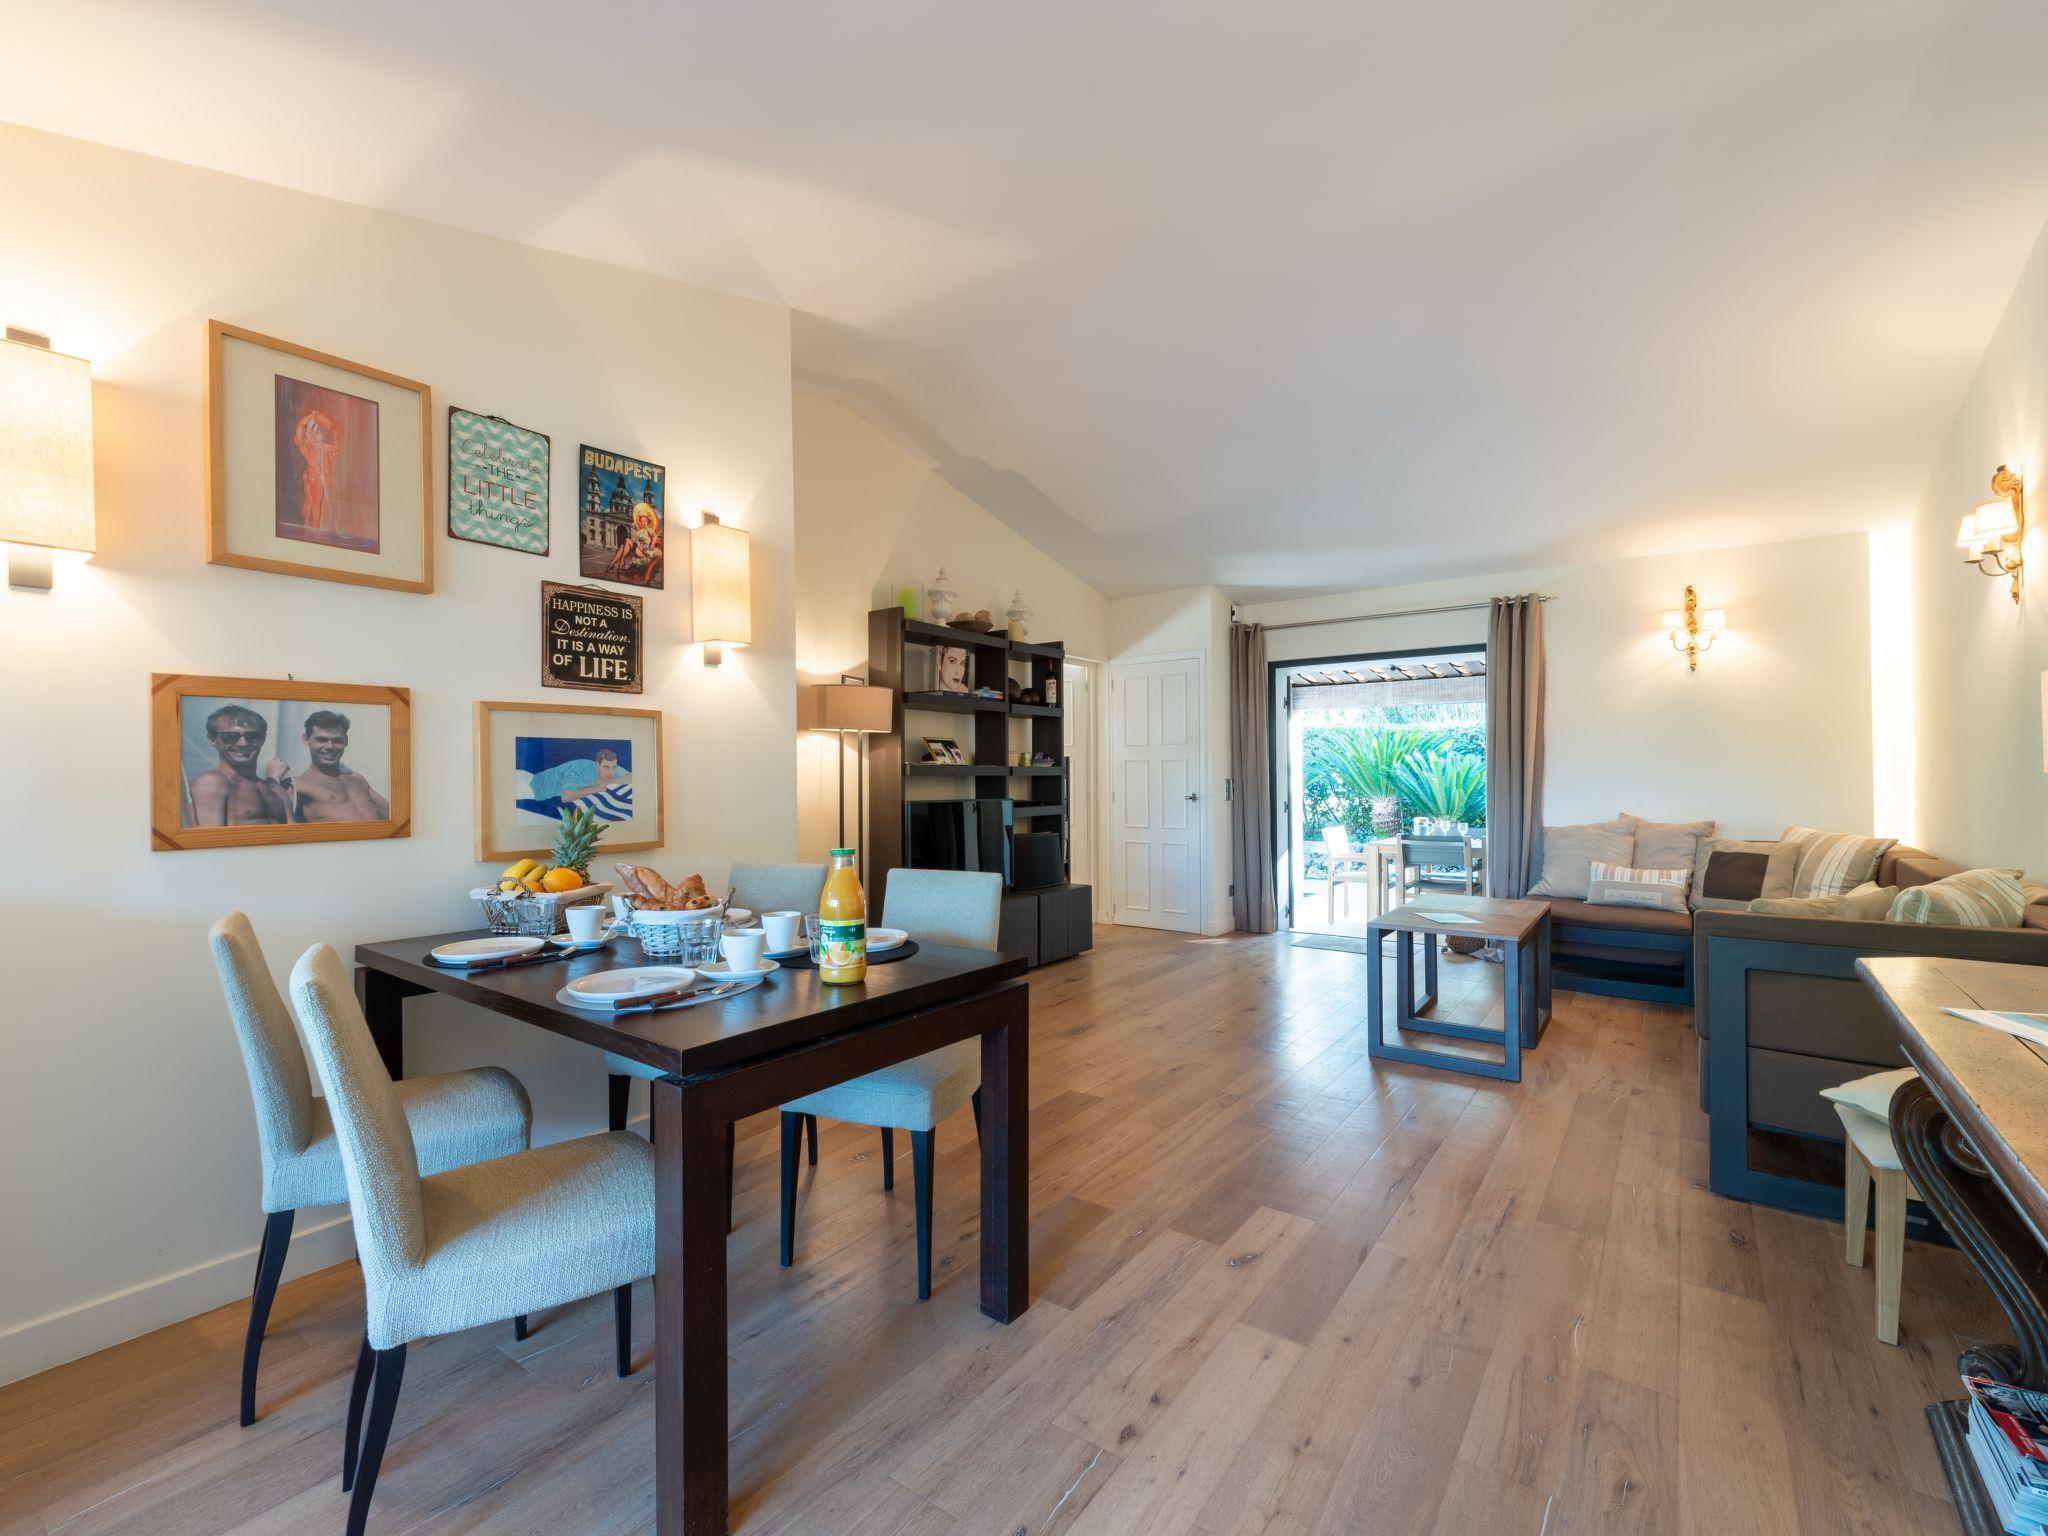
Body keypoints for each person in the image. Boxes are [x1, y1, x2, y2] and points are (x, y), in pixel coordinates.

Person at [188, 704, 293, 826]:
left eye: (252, 736)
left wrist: (273, 780)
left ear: (263, 739)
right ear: (212, 739)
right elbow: (210, 837)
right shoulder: (212, 783)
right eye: (230, 736)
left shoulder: (277, 791)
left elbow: (295, 834)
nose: (243, 744)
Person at [291, 709, 389, 822]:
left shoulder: (357, 779)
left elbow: (392, 814)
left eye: (337, 740)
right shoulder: (297, 785)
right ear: (306, 739)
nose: (329, 747)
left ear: (345, 741)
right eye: (321, 740)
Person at [558, 747, 634, 821]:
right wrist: (598, 787)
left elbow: (631, 777)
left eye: (614, 767)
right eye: (606, 767)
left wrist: (605, 783)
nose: (611, 772)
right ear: (597, 765)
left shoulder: (611, 767)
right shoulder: (578, 769)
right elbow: (566, 797)